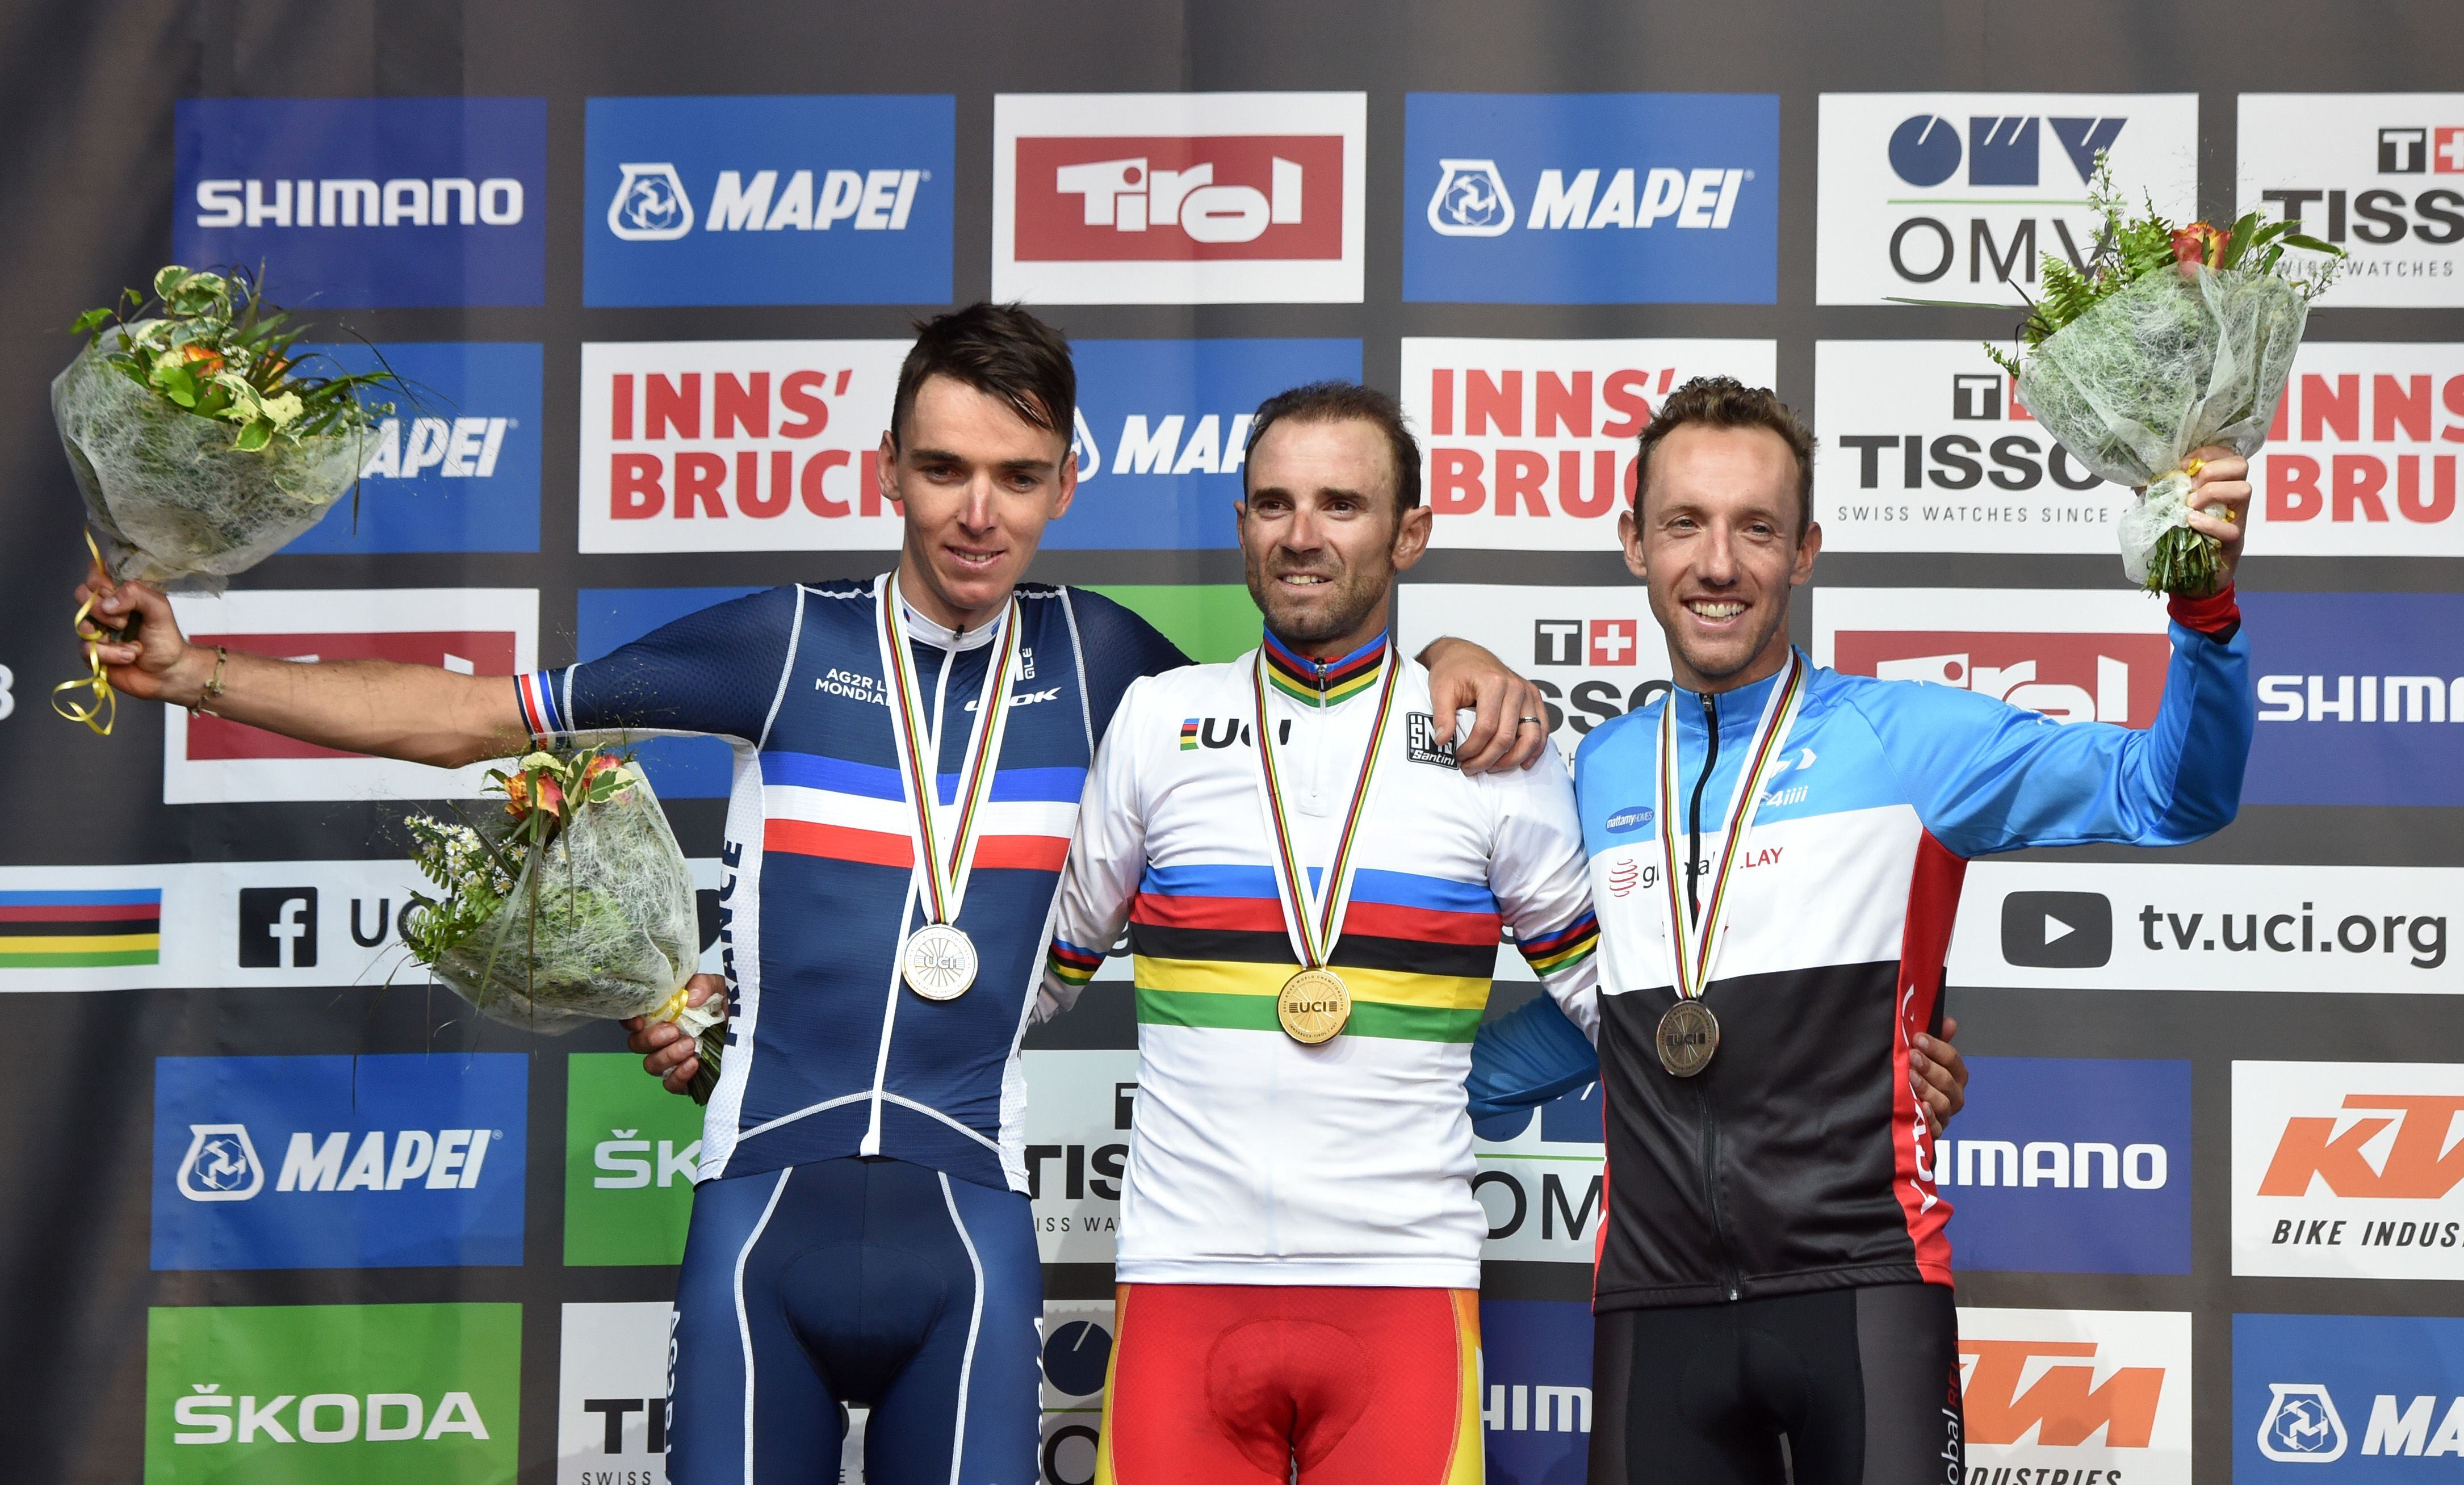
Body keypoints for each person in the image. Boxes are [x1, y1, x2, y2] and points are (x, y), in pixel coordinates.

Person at [70, 306, 1550, 1485]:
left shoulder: (1114, 669)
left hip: (970, 1241)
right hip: (758, 1224)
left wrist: (1452, 663)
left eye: (1016, 476)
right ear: (886, 469)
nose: (977, 514)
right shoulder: (779, 645)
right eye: (945, 470)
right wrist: (198, 671)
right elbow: (473, 719)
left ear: (1066, 485)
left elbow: (1304, 708)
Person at [1030, 382, 1970, 1485]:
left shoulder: (1490, 749)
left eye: (1341, 504)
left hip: (1406, 1295)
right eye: (1275, 504)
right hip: (1179, 1279)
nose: (1302, 535)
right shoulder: (1159, 723)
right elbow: (1034, 982)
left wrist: (1860, 1059)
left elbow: (1635, 1006)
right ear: (1241, 524)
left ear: (1410, 534)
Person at [1466, 376, 2255, 1485]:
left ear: (1805, 553)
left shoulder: (1910, 743)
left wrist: (2204, 614)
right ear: (1634, 542)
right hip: (1653, 1302)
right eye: (1684, 523)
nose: (1718, 563)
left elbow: (2175, 793)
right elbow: (1606, 1019)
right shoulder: (1595, 771)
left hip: (1866, 1285)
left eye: (1756, 529)